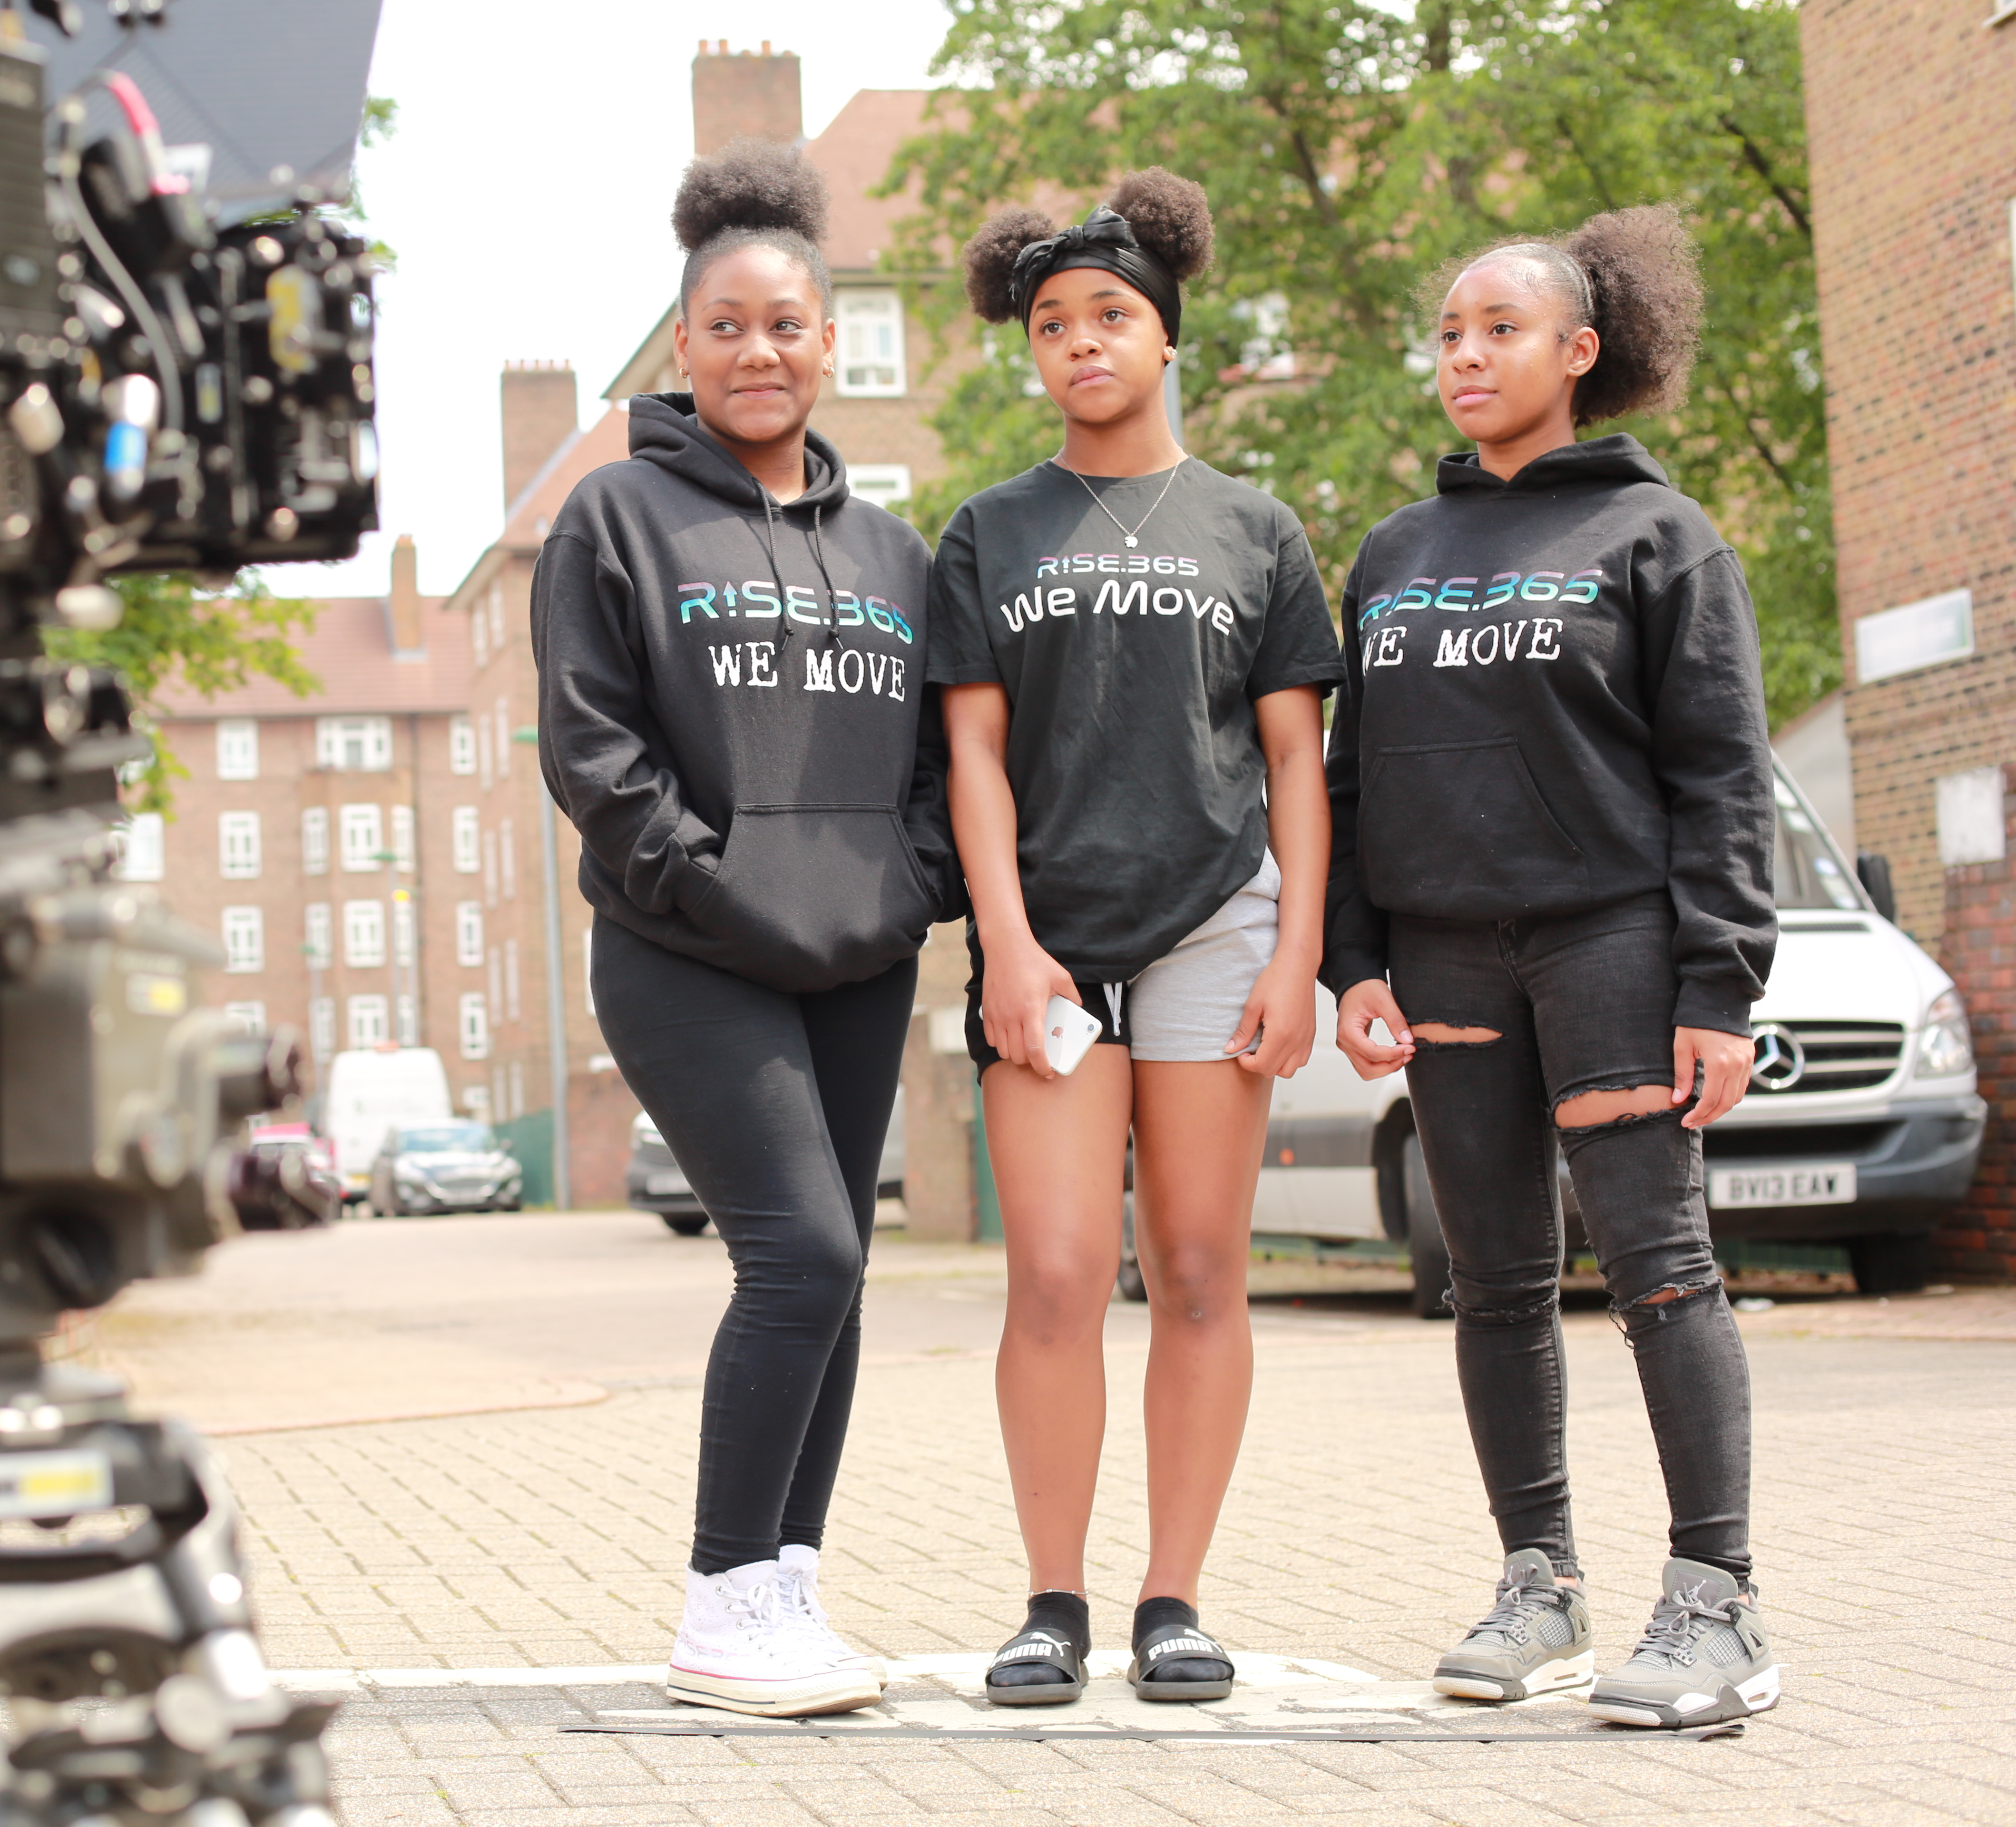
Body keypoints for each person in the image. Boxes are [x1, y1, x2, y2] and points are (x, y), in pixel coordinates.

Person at [1322, 206, 1780, 1729]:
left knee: (1660, 1270)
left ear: (1580, 353)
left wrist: (1720, 985)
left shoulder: (1659, 537)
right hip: (1447, 955)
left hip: (1610, 940)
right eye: (1449, 333)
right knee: (1493, 1286)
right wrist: (1354, 963)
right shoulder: (1396, 548)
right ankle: (1542, 1587)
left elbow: (1721, 775)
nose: (1464, 355)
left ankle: (1717, 1605)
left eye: (1498, 330)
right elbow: (1349, 778)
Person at [533, 138, 957, 1720]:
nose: (759, 351)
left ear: (826, 341)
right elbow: (593, 755)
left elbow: (931, 762)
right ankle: (723, 1598)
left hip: (857, 956)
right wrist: (713, 883)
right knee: (807, 1252)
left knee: (839, 1280)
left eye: (786, 324)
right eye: (726, 326)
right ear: (683, 346)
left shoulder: (893, 552)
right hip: (687, 950)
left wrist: (909, 887)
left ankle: (787, 1584)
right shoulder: (615, 520)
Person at [929, 172, 1344, 1707]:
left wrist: (1297, 953)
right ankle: (1052, 1601)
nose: (1082, 343)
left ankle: (1176, 1598)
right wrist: (1009, 943)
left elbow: (1297, 763)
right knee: (1050, 1275)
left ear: (1167, 334)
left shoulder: (1255, 527)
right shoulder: (988, 530)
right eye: (1053, 325)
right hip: (1050, 945)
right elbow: (973, 756)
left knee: (1194, 1266)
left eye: (1111, 316)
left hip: (1217, 930)